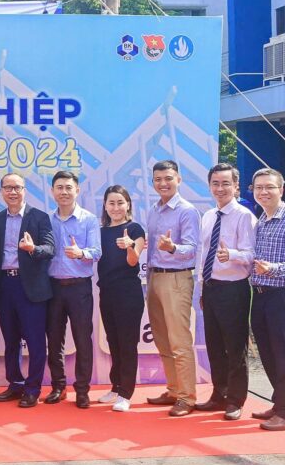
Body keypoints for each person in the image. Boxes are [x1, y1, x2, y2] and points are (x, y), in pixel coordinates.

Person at [195, 163, 256, 421]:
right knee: (215, 346)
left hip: (234, 289)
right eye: (215, 183)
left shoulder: (244, 216)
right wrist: (202, 284)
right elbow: (203, 253)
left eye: (225, 183)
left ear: (236, 186)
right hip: (211, 288)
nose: (220, 188)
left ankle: (235, 399)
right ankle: (219, 394)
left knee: (235, 347)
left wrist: (231, 254)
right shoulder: (209, 215)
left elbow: (252, 255)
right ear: (210, 186)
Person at [0, 173, 54, 408]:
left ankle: (33, 388)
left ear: (24, 190)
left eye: (17, 187)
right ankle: (15, 384)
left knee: (35, 341)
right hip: (5, 287)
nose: (12, 192)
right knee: (11, 340)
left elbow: (50, 249)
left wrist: (33, 248)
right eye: (8, 188)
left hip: (31, 288)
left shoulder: (39, 217)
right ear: (1, 192)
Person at [250, 168, 285, 431]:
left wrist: (271, 268)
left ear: (281, 190)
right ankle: (279, 402)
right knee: (267, 352)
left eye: (269, 187)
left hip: (283, 295)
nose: (263, 192)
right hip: (260, 294)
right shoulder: (261, 219)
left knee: (284, 354)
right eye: (258, 187)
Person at [144, 159, 201, 417]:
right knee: (162, 340)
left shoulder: (187, 211)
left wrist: (172, 248)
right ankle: (174, 389)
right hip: (154, 277)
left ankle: (187, 397)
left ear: (179, 179)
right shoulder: (154, 210)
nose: (163, 183)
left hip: (177, 278)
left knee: (179, 341)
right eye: (158, 179)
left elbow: (191, 249)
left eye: (168, 178)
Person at [45, 171, 101, 409]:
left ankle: (82, 389)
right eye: (59, 187)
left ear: (77, 190)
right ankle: (58, 387)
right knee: (54, 339)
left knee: (82, 339)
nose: (64, 192)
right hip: (52, 288)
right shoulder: (46, 220)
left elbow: (97, 252)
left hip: (79, 288)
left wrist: (81, 253)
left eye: (68, 187)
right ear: (52, 192)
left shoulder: (89, 219)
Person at [96, 185, 146, 412]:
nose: (116, 208)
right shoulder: (100, 232)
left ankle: (126, 393)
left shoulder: (134, 229)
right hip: (106, 292)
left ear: (128, 205)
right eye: (111, 203)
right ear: (105, 206)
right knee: (113, 341)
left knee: (127, 343)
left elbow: (133, 261)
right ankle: (116, 387)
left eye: (120, 203)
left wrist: (130, 246)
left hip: (128, 293)